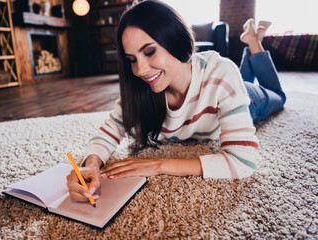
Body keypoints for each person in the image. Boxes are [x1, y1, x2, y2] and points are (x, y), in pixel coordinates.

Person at [66, 0, 286, 202]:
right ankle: (251, 47)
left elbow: (243, 161)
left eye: (150, 51)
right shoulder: (140, 89)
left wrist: (159, 164)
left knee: (277, 95)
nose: (140, 70)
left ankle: (254, 44)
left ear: (175, 40)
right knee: (243, 78)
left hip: (250, 103)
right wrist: (92, 164)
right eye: (132, 60)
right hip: (228, 90)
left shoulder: (221, 74)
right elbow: (109, 130)